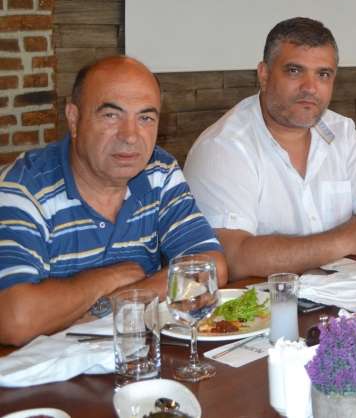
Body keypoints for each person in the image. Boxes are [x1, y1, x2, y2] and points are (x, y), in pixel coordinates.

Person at [0, 56, 227, 346]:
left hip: (136, 358)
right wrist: (109, 278)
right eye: (111, 115)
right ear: (74, 119)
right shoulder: (24, 188)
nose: (130, 136)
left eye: (145, 118)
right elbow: (15, 319)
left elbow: (210, 267)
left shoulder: (159, 172)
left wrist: (116, 301)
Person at [184, 18, 356, 280]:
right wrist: (345, 239)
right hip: (266, 302)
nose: (310, 88)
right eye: (294, 71)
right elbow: (231, 257)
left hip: (349, 292)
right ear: (264, 75)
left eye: (323, 74)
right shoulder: (224, 147)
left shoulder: (341, 132)